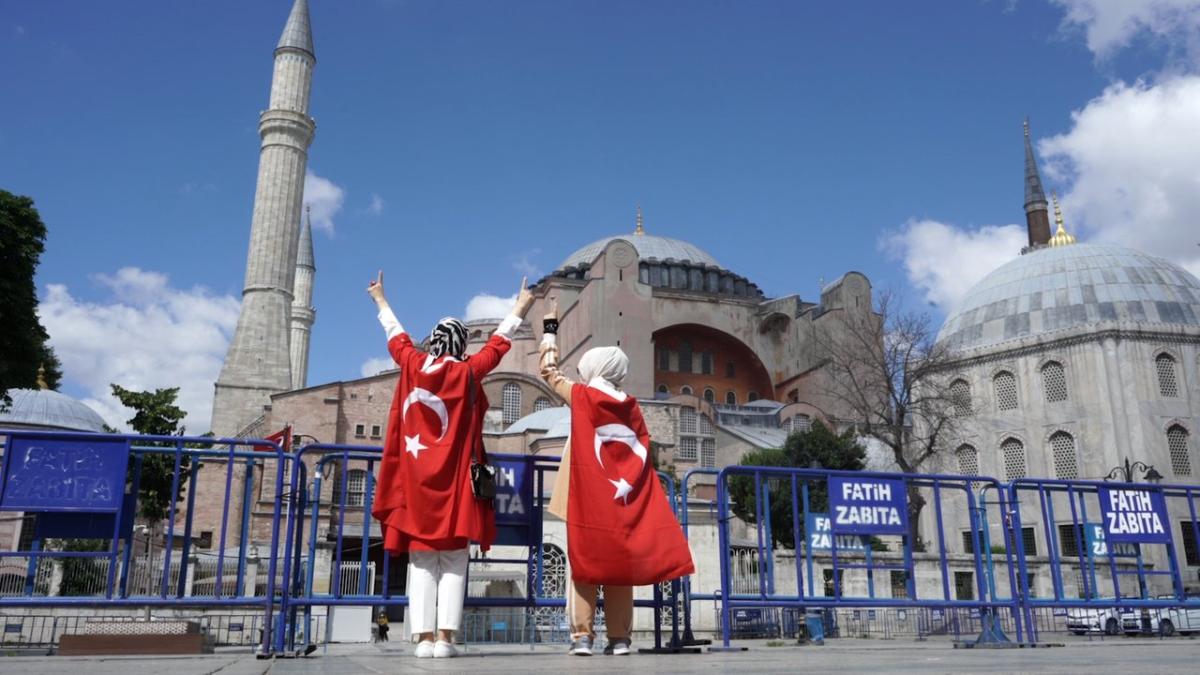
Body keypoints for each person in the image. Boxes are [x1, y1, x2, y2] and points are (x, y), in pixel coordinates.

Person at [368, 271, 534, 659]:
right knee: (455, 561)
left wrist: (379, 299)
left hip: (414, 487)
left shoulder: (411, 364)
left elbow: (397, 337)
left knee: (422, 562)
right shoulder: (468, 372)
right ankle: (446, 639)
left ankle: (423, 638)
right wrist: (521, 307)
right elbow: (498, 346)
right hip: (456, 486)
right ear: (460, 345)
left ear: (434, 342)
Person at [539, 299, 695, 657]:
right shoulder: (632, 406)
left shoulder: (581, 396)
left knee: (585, 562)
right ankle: (620, 638)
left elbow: (548, 372)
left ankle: (582, 636)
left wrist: (550, 326)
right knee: (618, 566)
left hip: (587, 494)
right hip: (621, 495)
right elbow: (641, 450)